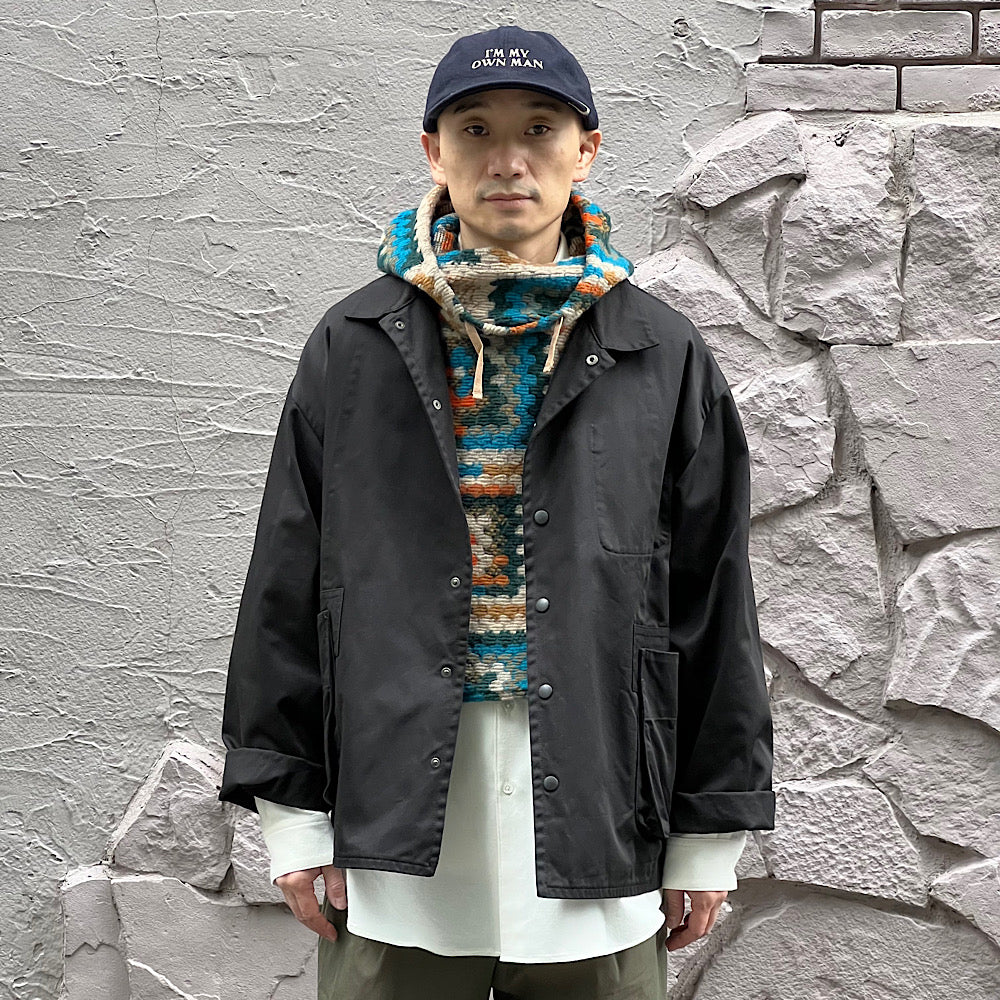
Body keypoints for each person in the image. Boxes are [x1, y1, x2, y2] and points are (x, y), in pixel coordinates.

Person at [218, 24, 775, 1000]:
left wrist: (707, 832)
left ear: (585, 150)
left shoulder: (661, 352)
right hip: (393, 812)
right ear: (434, 152)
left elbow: (712, 598)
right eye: (475, 129)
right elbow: (287, 586)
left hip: (601, 800)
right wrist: (294, 817)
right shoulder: (354, 346)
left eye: (539, 129)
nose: (508, 159)